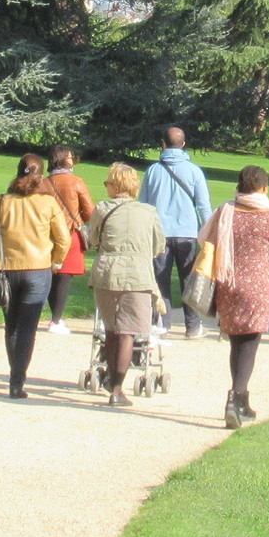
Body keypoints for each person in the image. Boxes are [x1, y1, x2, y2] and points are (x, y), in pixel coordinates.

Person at [203, 163, 269, 429]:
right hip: (255, 290)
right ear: (265, 188)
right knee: (250, 344)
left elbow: (205, 240)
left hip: (227, 285)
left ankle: (242, 399)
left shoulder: (225, 213)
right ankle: (234, 399)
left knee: (236, 343)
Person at [0, 152, 73, 400]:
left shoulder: (0, 201)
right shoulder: (48, 204)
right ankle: (17, 381)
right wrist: (56, 260)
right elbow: (63, 239)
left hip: (6, 270)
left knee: (11, 325)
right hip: (38, 270)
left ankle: (15, 378)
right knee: (27, 329)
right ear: (41, 175)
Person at [83, 162, 163, 407]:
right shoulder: (149, 212)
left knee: (111, 329)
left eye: (108, 182)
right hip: (138, 275)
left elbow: (92, 239)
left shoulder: (102, 209)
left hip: (108, 273)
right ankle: (117, 388)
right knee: (128, 332)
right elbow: (158, 246)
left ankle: (111, 378)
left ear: (116, 186)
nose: (105, 186)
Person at [140, 125, 214, 338]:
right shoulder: (194, 171)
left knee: (160, 280)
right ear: (183, 144)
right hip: (187, 233)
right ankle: (193, 326)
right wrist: (209, 232)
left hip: (159, 233)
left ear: (163, 144)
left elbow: (143, 205)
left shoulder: (153, 171)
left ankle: (161, 324)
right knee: (189, 280)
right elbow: (203, 206)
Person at [44, 146, 96, 336]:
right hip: (70, 233)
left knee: (52, 276)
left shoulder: (44, 183)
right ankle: (56, 320)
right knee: (64, 278)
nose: (73, 159)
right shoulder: (76, 182)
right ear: (64, 160)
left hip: (47, 235)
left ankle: (55, 316)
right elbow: (90, 212)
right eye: (70, 157)